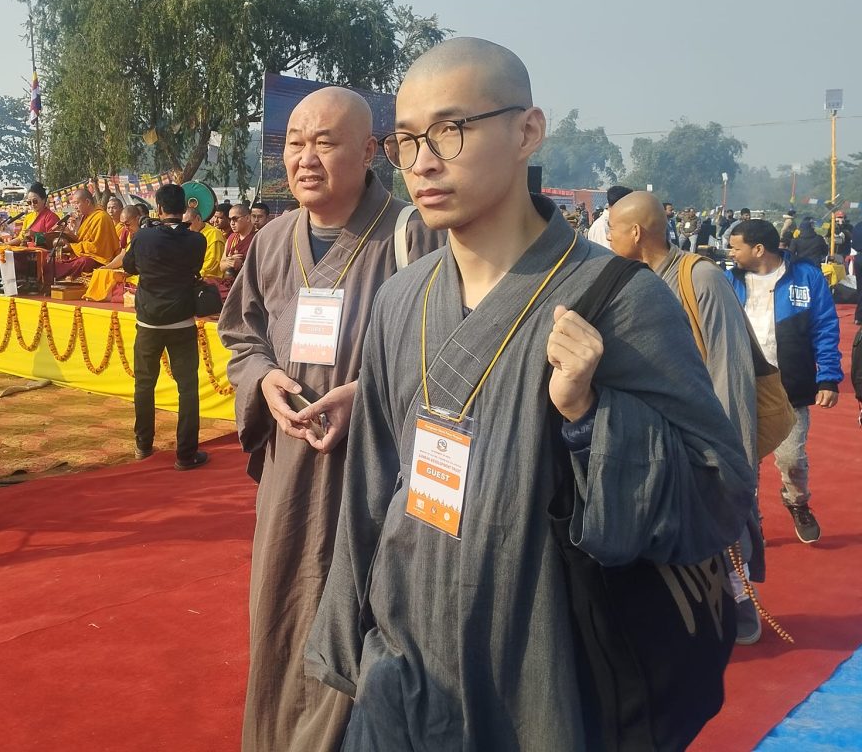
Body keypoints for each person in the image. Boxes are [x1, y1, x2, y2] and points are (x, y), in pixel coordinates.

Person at [305, 38, 754, 750]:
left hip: (539, 672)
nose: (424, 161)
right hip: (403, 662)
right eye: (407, 140)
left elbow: (719, 489)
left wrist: (592, 418)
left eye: (451, 130)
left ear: (527, 131)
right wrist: (349, 646)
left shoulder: (618, 300)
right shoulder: (400, 301)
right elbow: (369, 492)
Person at [218, 85, 443, 752]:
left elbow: (453, 351)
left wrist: (367, 395)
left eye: (324, 142)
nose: (305, 158)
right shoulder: (272, 240)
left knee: (368, 617)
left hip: (375, 476)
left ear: (370, 151)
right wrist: (264, 380)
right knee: (281, 607)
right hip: (291, 470)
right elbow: (241, 336)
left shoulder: (415, 235)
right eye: (294, 143)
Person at [608, 190, 765, 644]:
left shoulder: (701, 279)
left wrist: (733, 458)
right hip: (656, 433)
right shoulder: (631, 282)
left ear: (635, 232)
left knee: (724, 518)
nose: (608, 237)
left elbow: (731, 369)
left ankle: (739, 600)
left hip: (706, 431)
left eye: (613, 229)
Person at [727, 219, 841, 544]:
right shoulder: (727, 280)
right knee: (745, 463)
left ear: (758, 249)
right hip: (742, 385)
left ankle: (797, 502)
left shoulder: (806, 277)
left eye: (735, 247)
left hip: (790, 388)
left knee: (792, 459)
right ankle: (751, 522)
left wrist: (828, 378)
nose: (730, 253)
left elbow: (825, 327)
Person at [123, 183, 208, 470]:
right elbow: (194, 267)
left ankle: (143, 445)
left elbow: (128, 267)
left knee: (144, 383)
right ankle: (186, 454)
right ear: (185, 208)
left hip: (148, 320)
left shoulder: (143, 237)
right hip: (182, 321)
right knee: (188, 388)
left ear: (158, 208)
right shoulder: (197, 240)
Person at [54, 188, 120, 278]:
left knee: (85, 262)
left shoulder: (101, 217)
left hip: (99, 259)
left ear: (87, 202)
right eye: (74, 204)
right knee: (56, 259)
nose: (75, 207)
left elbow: (97, 248)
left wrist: (72, 247)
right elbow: (82, 240)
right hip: (85, 254)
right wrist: (69, 234)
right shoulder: (86, 217)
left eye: (77, 203)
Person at [217, 203, 255, 299]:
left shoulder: (257, 238)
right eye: (230, 220)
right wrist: (229, 262)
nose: (232, 223)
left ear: (247, 218)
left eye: (235, 219)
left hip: (249, 287)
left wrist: (241, 264)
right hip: (229, 285)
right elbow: (221, 266)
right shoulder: (232, 237)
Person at [10, 183, 60, 247]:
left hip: (43, 251)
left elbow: (52, 239)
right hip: (27, 250)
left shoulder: (51, 217)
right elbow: (20, 238)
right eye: (29, 202)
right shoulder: (28, 217)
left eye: (35, 201)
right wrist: (5, 244)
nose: (32, 204)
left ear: (43, 200)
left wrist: (35, 235)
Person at [184, 204, 226, 282]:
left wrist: (193, 277)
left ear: (198, 218)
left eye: (188, 223)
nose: (186, 228)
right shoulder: (188, 235)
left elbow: (212, 264)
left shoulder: (214, 234)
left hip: (208, 281)